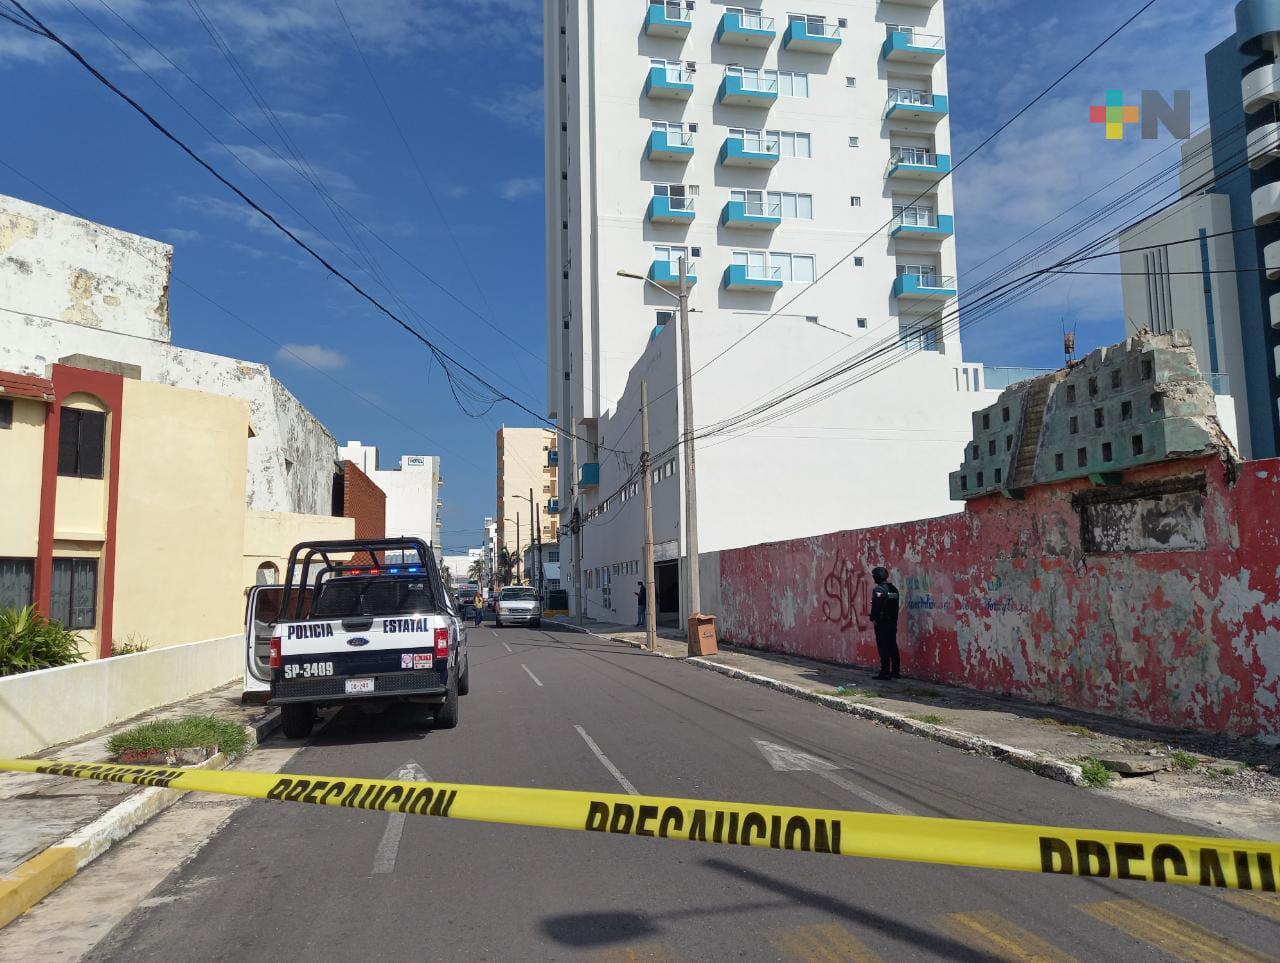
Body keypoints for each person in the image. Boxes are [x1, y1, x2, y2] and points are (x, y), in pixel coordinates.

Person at [869, 566, 901, 680]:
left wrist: (873, 618)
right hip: (892, 622)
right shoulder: (894, 589)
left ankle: (885, 672)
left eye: (874, 576)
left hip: (882, 623)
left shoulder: (879, 590)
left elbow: (876, 607)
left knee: (883, 647)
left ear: (877, 577)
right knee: (892, 646)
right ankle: (895, 671)